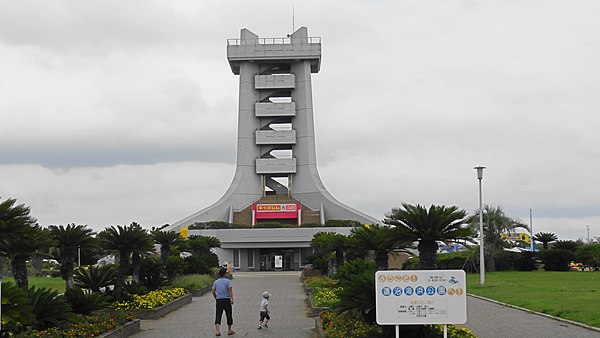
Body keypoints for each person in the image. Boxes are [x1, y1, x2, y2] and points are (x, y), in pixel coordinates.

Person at [212, 268, 234, 336]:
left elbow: (213, 291)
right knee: (229, 314)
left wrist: (216, 297)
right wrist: (232, 299)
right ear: (224, 274)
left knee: (218, 314)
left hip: (219, 300)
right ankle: (229, 330)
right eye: (226, 273)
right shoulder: (228, 281)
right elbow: (230, 290)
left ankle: (217, 331)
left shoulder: (216, 281)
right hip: (226, 300)